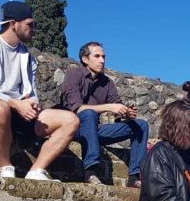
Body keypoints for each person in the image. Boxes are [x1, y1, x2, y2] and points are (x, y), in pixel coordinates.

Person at [0, 1, 79, 181]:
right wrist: (13, 102)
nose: (34, 28)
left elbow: (30, 91)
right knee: (0, 108)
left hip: (17, 109)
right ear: (13, 24)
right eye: (30, 24)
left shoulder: (28, 57)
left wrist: (32, 102)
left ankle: (36, 171)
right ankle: (6, 166)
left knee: (70, 120)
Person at [61, 42, 148, 187]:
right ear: (85, 58)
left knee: (141, 125)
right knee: (88, 113)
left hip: (95, 131)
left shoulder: (107, 82)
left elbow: (117, 113)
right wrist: (109, 107)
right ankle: (90, 172)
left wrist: (126, 112)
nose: (102, 60)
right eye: (97, 56)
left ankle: (134, 177)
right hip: (73, 128)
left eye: (103, 56)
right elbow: (76, 109)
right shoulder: (73, 75)